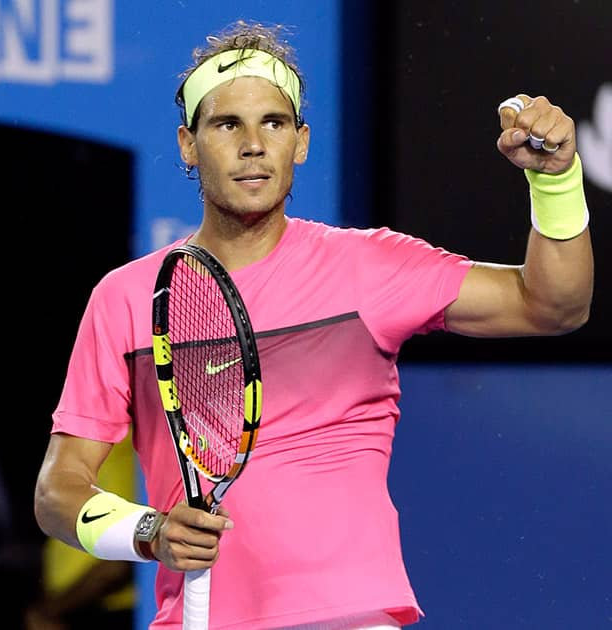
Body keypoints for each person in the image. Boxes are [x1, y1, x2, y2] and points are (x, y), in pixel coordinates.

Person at [32, 19, 593, 630]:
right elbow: (58, 490)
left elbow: (555, 305)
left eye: (273, 123)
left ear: (300, 141)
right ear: (189, 145)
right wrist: (149, 531)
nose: (253, 144)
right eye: (227, 125)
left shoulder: (371, 268)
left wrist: (556, 180)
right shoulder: (127, 298)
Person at [25, 434, 137, 630]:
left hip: (112, 611)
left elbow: (121, 561)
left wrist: (51, 610)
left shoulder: (124, 444)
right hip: (72, 610)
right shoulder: (74, 443)